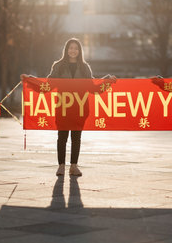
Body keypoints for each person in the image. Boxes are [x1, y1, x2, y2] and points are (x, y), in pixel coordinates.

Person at [21, 38, 108, 177]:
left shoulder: (85, 68)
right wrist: (30, 80)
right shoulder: (58, 66)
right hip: (63, 107)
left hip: (80, 108)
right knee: (62, 137)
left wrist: (108, 80)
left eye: (76, 48)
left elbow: (93, 88)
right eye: (70, 48)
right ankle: (61, 166)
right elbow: (47, 86)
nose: (73, 51)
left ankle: (74, 166)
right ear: (66, 50)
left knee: (76, 137)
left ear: (80, 51)